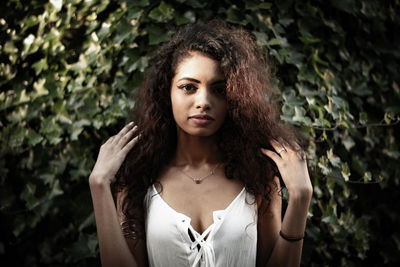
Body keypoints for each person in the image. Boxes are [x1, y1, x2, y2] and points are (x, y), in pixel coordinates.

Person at [89, 20, 313, 267]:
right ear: (167, 93)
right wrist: (99, 185)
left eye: (218, 90)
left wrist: (301, 198)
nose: (203, 101)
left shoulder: (259, 176)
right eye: (188, 87)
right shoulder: (139, 178)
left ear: (234, 98)